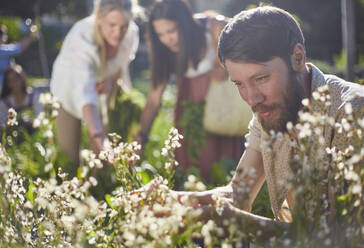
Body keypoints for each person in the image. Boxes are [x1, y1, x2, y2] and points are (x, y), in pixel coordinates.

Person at [143, 5, 364, 242]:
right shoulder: (270, 108)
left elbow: (345, 237)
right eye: (239, 84)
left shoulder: (352, 115)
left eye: (261, 78)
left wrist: (240, 223)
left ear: (298, 57)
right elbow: (238, 193)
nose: (251, 99)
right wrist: (179, 201)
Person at [137, 0, 245, 181]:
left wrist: (226, 68)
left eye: (171, 31)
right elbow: (154, 99)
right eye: (160, 34)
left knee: (226, 165)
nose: (167, 39)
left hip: (221, 105)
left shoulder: (213, 28)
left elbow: (248, 53)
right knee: (194, 165)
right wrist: (141, 138)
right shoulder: (163, 49)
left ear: (185, 24)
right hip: (190, 108)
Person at [50, 0, 139, 167]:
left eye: (123, 26)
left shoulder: (132, 32)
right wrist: (99, 137)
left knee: (102, 159)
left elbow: (123, 63)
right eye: (112, 25)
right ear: (99, 17)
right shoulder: (82, 37)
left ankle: (99, 186)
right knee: (69, 157)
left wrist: (109, 81)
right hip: (70, 87)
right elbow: (85, 94)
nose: (118, 33)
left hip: (103, 90)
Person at [0, 25, 37, 102]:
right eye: (4, 35)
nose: (6, 37)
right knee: (6, 107)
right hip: (2, 84)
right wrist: (30, 37)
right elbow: (18, 48)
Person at [0, 65, 42, 137]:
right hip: (13, 137)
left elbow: (40, 117)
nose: (13, 83)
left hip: (35, 135)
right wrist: (16, 121)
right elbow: (1, 126)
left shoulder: (34, 96)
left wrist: (31, 122)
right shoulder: (4, 103)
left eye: (16, 79)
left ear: (22, 79)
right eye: (9, 81)